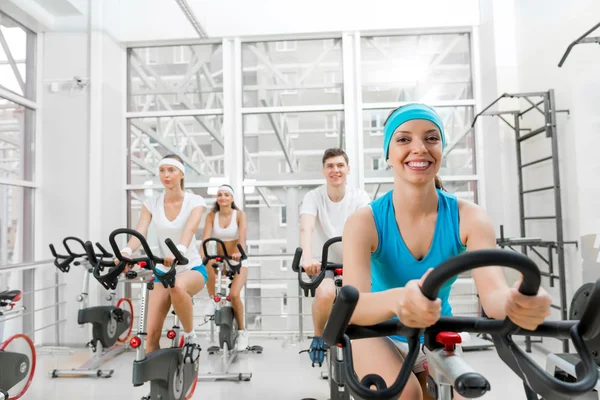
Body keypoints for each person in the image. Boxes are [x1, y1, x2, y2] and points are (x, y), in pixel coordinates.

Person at [341, 104, 553, 400]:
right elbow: (356, 306)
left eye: (431, 138)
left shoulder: (470, 216)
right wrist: (400, 299)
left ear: (441, 149)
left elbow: (493, 296)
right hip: (377, 331)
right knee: (407, 396)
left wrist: (517, 302)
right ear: (387, 155)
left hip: (436, 331)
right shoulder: (364, 222)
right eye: (403, 139)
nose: (419, 148)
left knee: (465, 394)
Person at [117, 154, 207, 359]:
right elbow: (139, 232)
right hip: (163, 270)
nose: (166, 175)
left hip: (190, 268)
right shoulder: (151, 203)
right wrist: (125, 253)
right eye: (162, 171)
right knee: (152, 335)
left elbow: (191, 228)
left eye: (171, 170)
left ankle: (191, 335)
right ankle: (157, 387)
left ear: (181, 174)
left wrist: (180, 251)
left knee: (176, 285)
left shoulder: (195, 201)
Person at [299, 148, 371, 366]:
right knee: (325, 294)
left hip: (354, 259)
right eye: (330, 166)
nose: (335, 170)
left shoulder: (359, 197)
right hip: (323, 261)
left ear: (348, 169)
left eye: (340, 165)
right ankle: (319, 336)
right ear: (323, 171)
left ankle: (364, 341)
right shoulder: (313, 197)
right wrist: (307, 259)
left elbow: (364, 229)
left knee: (359, 299)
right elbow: (306, 228)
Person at [201, 184, 250, 351]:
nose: (223, 197)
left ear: (232, 198)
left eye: (227, 195)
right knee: (206, 262)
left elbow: (242, 237)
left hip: (238, 258)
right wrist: (202, 253)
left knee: (234, 295)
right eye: (220, 194)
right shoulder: (211, 216)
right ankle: (211, 299)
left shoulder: (240, 215)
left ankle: (243, 332)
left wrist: (238, 251)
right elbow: (205, 239)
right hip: (220, 260)